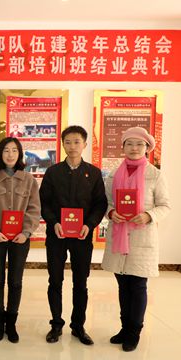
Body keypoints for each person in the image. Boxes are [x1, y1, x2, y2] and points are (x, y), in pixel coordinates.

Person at [101, 127, 170, 351]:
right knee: (123, 285)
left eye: (139, 144)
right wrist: (112, 213)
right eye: (129, 144)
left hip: (142, 237)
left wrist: (148, 215)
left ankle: (134, 332)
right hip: (119, 235)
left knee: (138, 285)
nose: (134, 148)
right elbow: (107, 202)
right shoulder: (114, 174)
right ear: (123, 147)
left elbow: (164, 205)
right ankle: (124, 328)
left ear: (147, 148)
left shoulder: (155, 175)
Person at [39, 125, 107, 345]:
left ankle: (78, 326)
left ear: (85, 144)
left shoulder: (93, 173)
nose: (72, 146)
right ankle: (56, 325)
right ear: (62, 144)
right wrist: (54, 222)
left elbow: (100, 203)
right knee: (55, 280)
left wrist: (90, 224)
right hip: (56, 235)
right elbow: (44, 202)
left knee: (81, 282)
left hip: (82, 237)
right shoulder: (53, 172)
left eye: (77, 142)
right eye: (67, 142)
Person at [0, 137, 41, 343]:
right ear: (0, 154)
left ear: (20, 154)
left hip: (20, 239)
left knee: (15, 281)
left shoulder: (29, 180)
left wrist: (26, 232)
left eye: (14, 150)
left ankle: (11, 323)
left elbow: (34, 208)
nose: (10, 154)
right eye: (6, 150)